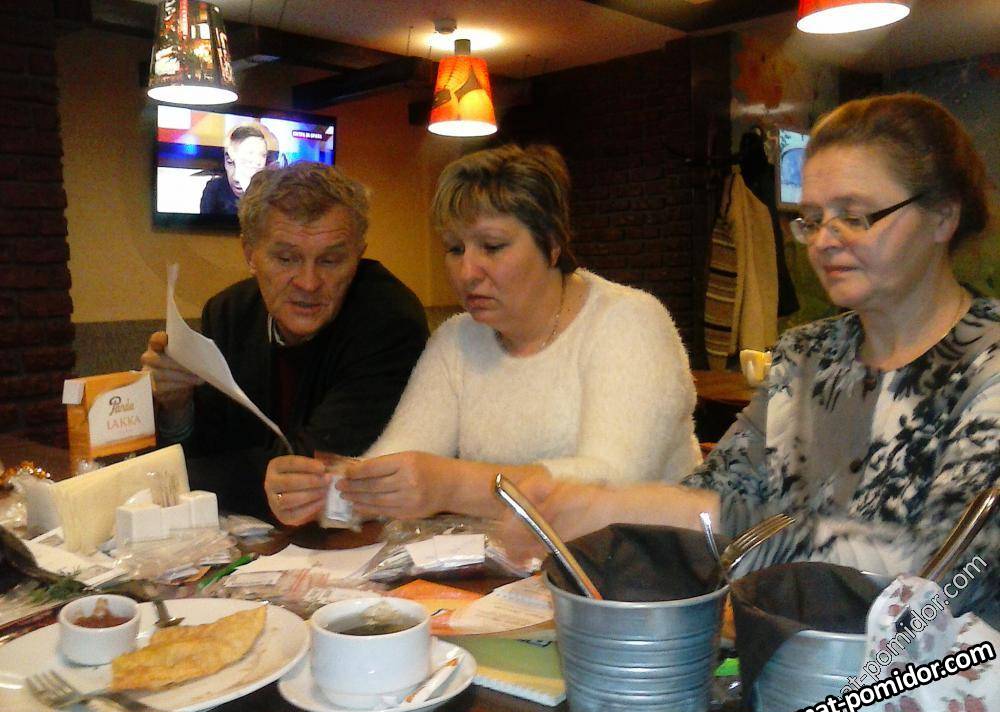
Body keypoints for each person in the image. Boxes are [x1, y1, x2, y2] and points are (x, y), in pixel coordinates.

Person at [508, 94, 999, 621]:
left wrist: (646, 508)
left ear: (943, 216)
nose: (824, 241)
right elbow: (716, 490)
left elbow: (950, 572)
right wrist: (595, 507)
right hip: (781, 649)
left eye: (855, 216)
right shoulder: (806, 356)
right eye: (812, 219)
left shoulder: (987, 363)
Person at [264, 144, 701, 525]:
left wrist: (453, 486)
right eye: (455, 249)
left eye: (492, 247)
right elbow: (395, 466)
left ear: (552, 244)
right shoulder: (458, 339)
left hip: (651, 571)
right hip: (517, 575)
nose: (467, 272)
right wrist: (322, 495)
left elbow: (614, 482)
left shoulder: (629, 321)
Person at [142, 161, 430, 517]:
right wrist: (177, 407)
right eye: (286, 258)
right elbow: (208, 452)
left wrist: (163, 480)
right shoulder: (228, 313)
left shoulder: (388, 320)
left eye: (330, 261)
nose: (308, 283)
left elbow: (308, 478)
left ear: (358, 256)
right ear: (250, 254)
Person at [200, 123, 273, 215]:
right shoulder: (214, 189)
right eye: (230, 163)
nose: (236, 177)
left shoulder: (272, 193)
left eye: (247, 162)